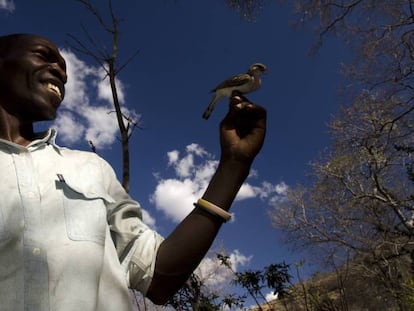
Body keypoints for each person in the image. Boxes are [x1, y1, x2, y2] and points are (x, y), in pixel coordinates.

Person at [0, 33, 267, 311]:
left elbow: (157, 276)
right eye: (44, 56)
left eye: (66, 69)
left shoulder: (92, 168)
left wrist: (234, 166)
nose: (62, 73)